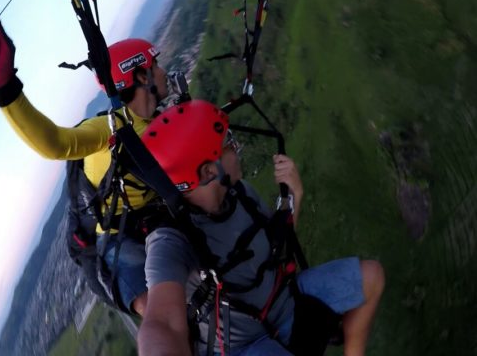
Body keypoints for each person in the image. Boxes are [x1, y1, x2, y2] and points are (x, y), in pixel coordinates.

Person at [0, 15, 175, 316]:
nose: (163, 72)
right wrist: (6, 91)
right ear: (141, 76)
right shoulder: (110, 128)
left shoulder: (160, 121)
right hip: (116, 235)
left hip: (155, 216)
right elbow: (56, 143)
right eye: (155, 65)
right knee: (157, 311)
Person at [138, 99, 385, 356]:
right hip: (244, 346)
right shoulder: (170, 240)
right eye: (228, 143)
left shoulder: (240, 194)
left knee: (371, 276)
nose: (237, 147)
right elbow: (162, 323)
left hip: (285, 301)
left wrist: (295, 197)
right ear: (209, 171)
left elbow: (276, 250)